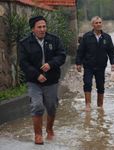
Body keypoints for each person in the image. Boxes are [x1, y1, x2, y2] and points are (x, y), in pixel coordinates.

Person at [18, 16, 66, 145]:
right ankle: (38, 135)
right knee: (37, 106)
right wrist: (36, 75)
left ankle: (49, 129)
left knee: (51, 106)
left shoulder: (54, 40)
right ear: (33, 29)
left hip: (51, 80)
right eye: (39, 27)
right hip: (34, 81)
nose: (42, 29)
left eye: (44, 26)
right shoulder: (25, 43)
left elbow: (62, 56)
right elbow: (23, 63)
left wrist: (50, 64)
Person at [75, 16, 114, 111]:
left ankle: (100, 105)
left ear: (102, 24)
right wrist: (78, 63)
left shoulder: (107, 37)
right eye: (96, 23)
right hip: (89, 65)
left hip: (101, 66)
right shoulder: (87, 37)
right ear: (92, 25)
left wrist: (113, 63)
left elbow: (111, 51)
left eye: (100, 22)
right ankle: (88, 105)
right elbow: (80, 51)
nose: (98, 24)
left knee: (100, 86)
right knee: (88, 83)